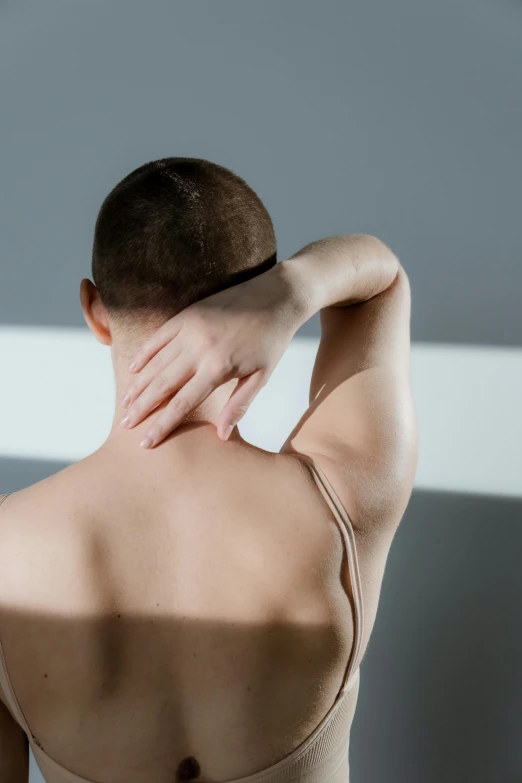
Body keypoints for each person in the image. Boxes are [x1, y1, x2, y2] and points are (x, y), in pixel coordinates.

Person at [0, 158, 418, 783]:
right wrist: (293, 290)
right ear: (264, 303)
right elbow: (381, 279)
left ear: (94, 310)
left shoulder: (8, 550)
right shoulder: (346, 491)